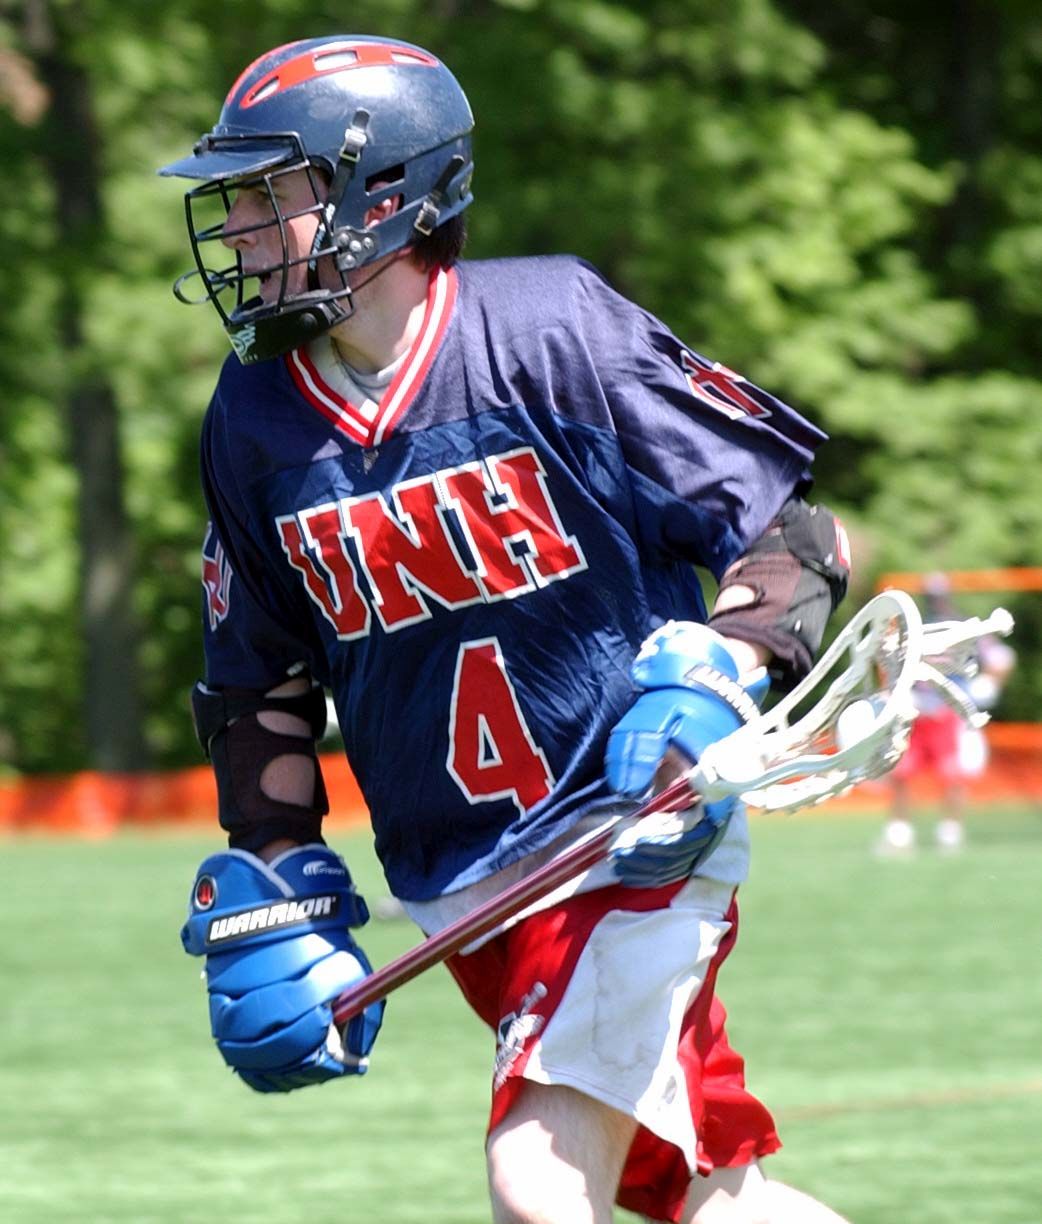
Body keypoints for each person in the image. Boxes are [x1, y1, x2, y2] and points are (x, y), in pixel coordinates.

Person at [161, 35, 854, 1224]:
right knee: (712, 1202)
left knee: (537, 1184)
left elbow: (793, 535)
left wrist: (716, 674)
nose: (238, 228)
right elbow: (257, 681)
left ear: (382, 194)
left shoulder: (547, 330)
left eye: (271, 194)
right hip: (463, 884)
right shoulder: (255, 418)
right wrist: (279, 875)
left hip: (626, 838)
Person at [879, 575, 1016, 854]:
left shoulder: (966, 628)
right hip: (916, 710)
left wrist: (987, 685)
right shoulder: (915, 630)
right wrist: (892, 692)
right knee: (901, 770)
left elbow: (1002, 659)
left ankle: (950, 830)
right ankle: (899, 832)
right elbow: (887, 664)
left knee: (953, 773)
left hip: (949, 711)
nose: (936, 602)